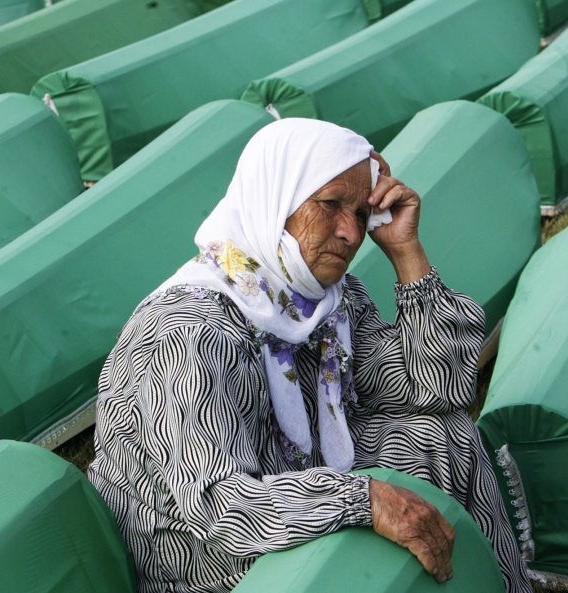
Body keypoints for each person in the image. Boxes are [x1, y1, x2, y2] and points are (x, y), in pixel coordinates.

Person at [88, 118, 532, 593]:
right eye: (330, 204)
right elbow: (218, 505)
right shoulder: (188, 333)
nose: (350, 232)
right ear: (274, 198)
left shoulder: (321, 300)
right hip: (206, 558)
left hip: (296, 480)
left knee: (447, 437)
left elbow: (434, 389)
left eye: (361, 213)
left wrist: (406, 251)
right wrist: (363, 500)